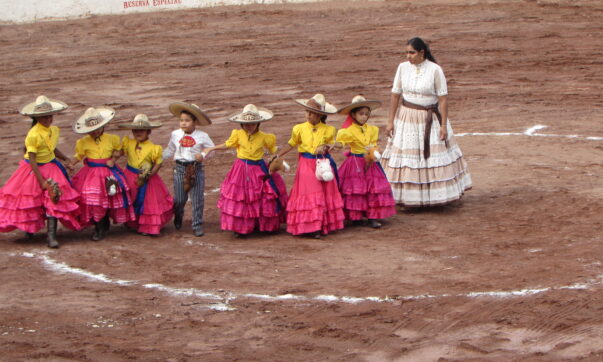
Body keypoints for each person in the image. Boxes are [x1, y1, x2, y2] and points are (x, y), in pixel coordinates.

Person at [381, 37, 472, 206]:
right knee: (407, 157)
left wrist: (444, 125)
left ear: (422, 52)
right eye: (406, 52)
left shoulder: (435, 70)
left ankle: (434, 197)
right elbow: (395, 95)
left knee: (431, 158)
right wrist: (390, 121)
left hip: (429, 119)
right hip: (406, 118)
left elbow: (443, 99)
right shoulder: (402, 68)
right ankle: (408, 198)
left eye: (411, 52)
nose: (408, 56)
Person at [0, 95, 81, 248]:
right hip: (33, 169)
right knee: (31, 200)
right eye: (44, 116)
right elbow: (32, 159)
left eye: (49, 116)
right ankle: (30, 230)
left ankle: (51, 235)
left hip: (51, 166)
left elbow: (51, 148)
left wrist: (65, 159)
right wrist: (41, 181)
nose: (47, 119)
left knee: (53, 199)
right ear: (37, 117)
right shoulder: (33, 134)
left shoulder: (52, 130)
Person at [203, 104, 287, 237]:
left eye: (252, 123)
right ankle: (241, 228)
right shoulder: (237, 134)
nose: (249, 126)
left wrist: (279, 159)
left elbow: (273, 151)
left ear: (258, 123)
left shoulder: (265, 137)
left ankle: (259, 225)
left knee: (259, 197)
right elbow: (227, 144)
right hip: (241, 169)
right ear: (241, 124)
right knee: (242, 197)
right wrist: (211, 148)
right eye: (246, 123)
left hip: (258, 168)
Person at [276, 94, 344, 238]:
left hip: (322, 163)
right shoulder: (299, 128)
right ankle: (312, 227)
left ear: (320, 115)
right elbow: (292, 143)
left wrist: (325, 146)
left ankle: (318, 226)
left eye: (312, 112)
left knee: (320, 193)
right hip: (306, 163)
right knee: (312, 192)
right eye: (307, 111)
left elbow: (336, 145)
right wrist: (279, 155)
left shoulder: (329, 130)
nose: (308, 115)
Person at [71, 107, 136, 241]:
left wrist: (113, 159)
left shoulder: (112, 139)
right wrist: (70, 163)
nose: (95, 132)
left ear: (103, 126)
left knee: (110, 196)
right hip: (91, 173)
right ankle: (99, 226)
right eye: (91, 130)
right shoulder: (83, 142)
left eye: (98, 128)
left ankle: (103, 223)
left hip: (108, 172)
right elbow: (79, 155)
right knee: (93, 199)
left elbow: (119, 151)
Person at [336, 95, 396, 228]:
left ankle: (372, 217)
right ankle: (356, 217)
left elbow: (373, 144)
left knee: (372, 189)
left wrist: (373, 151)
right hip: (355, 162)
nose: (364, 117)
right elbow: (341, 142)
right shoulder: (348, 130)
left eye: (366, 114)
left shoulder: (371, 129)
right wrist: (338, 144)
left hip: (370, 162)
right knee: (356, 190)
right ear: (353, 114)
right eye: (361, 114)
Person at [163, 102, 214, 237]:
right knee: (179, 199)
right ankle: (178, 215)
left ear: (194, 121)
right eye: (181, 120)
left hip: (196, 169)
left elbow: (211, 151)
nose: (183, 123)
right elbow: (170, 150)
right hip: (179, 168)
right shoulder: (175, 134)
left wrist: (202, 155)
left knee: (197, 199)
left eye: (187, 120)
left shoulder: (203, 136)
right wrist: (157, 157)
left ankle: (197, 224)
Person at [119, 114, 174, 236]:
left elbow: (158, 163)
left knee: (148, 203)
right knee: (131, 198)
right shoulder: (128, 143)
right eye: (136, 130)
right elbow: (121, 153)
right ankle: (133, 223)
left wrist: (148, 176)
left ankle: (147, 227)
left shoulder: (154, 148)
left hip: (148, 179)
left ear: (148, 131)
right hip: (129, 175)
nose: (138, 133)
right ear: (132, 131)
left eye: (142, 130)